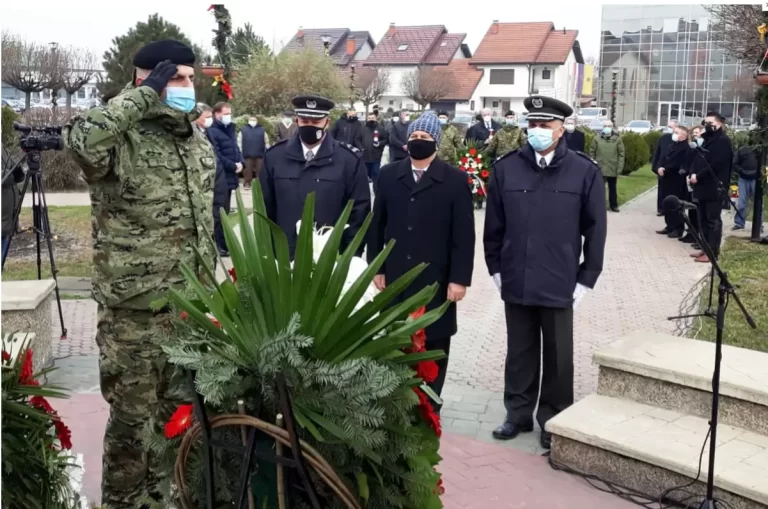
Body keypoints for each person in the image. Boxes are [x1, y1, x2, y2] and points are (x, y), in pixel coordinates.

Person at [63, 39, 216, 508]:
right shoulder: (120, 138)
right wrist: (142, 95)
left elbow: (202, 223)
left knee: (179, 419)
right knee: (133, 425)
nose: (188, 87)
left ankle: (169, 500)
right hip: (136, 312)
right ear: (146, 80)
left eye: (191, 78)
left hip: (190, 307)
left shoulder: (195, 139)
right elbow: (82, 139)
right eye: (176, 77)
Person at [484, 95, 607, 449]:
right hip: (517, 276)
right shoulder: (507, 168)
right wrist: (495, 268)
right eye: (532, 124)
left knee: (557, 354)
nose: (537, 131)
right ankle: (517, 414)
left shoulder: (584, 171)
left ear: (561, 128)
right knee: (519, 351)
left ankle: (553, 417)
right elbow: (494, 226)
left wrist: (587, 276)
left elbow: (595, 229)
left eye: (545, 125)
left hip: (559, 278)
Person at [368, 113, 475, 406]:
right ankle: (396, 401)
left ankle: (430, 403)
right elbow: (377, 224)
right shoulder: (389, 175)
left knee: (435, 340)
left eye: (425, 138)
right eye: (414, 137)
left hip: (436, 279)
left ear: (436, 143)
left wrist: (459, 279)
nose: (418, 142)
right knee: (395, 338)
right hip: (396, 275)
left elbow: (464, 235)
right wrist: (376, 267)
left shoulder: (454, 180)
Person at [260, 95, 371, 257]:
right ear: (296, 121)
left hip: (329, 256)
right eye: (305, 122)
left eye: (315, 122)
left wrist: (350, 255)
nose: (309, 127)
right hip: (285, 253)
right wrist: (268, 251)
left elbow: (359, 211)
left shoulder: (348, 160)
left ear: (327, 122)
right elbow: (265, 207)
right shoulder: (275, 157)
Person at [689, 112, 733, 263]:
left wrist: (698, 176)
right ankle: (705, 248)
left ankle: (712, 252)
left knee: (712, 220)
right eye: (705, 123)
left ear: (719, 124)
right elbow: (698, 158)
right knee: (703, 219)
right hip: (702, 187)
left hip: (715, 187)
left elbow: (716, 164)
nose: (706, 126)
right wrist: (692, 173)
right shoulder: (707, 140)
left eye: (710, 123)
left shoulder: (722, 141)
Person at [207, 101, 244, 256]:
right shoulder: (212, 131)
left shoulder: (230, 129)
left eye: (230, 113)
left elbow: (235, 148)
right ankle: (219, 245)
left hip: (231, 176)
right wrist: (232, 165)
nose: (228, 116)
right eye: (225, 113)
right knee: (219, 212)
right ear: (216, 114)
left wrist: (241, 162)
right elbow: (217, 154)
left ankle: (224, 242)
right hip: (222, 176)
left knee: (226, 211)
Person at [655, 125, 691, 238]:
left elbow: (679, 163)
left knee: (676, 204)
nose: (673, 134)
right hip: (666, 178)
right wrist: (659, 167)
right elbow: (663, 158)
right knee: (666, 203)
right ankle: (669, 225)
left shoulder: (686, 148)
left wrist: (666, 169)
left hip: (676, 179)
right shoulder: (672, 145)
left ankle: (677, 228)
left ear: (683, 135)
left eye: (676, 132)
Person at [588, 119, 625, 213]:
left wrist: (619, 168)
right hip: (600, 167)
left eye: (609, 126)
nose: (607, 128)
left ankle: (614, 206)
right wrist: (593, 165)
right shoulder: (597, 139)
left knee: (613, 188)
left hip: (612, 167)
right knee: (599, 189)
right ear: (602, 127)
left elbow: (621, 154)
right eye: (605, 126)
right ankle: (599, 206)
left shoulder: (617, 139)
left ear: (612, 127)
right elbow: (591, 152)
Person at [679, 126, 704, 246]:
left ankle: (699, 236)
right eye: (693, 133)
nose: (695, 135)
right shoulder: (691, 146)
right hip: (689, 179)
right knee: (691, 208)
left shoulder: (703, 148)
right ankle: (692, 233)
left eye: (697, 133)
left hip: (698, 181)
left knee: (699, 210)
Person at [2, 145, 25, 262]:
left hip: (9, 214)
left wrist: (20, 171)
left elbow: (14, 166)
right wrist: (13, 174)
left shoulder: (2, 147)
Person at [732, 143, 762, 231]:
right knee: (741, 203)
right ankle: (739, 223)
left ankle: (759, 225)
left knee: (759, 204)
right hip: (743, 179)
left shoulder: (762, 149)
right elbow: (735, 163)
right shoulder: (742, 150)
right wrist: (741, 171)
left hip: (757, 179)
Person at [653, 119, 678, 216]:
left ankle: (671, 208)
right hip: (661, 168)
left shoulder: (677, 139)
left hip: (672, 170)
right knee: (661, 189)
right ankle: (661, 208)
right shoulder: (663, 138)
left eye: (671, 127)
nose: (669, 129)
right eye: (668, 126)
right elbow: (658, 153)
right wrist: (656, 167)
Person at [360, 111, 388, 192]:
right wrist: (361, 148)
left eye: (373, 118)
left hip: (376, 157)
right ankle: (363, 192)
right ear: (367, 119)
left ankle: (376, 192)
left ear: (376, 119)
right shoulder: (362, 128)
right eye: (369, 118)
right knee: (364, 176)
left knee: (375, 175)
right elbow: (357, 139)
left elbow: (386, 139)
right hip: (365, 157)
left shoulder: (381, 129)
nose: (371, 120)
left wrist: (380, 143)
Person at [240, 114, 268, 189]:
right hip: (247, 153)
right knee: (247, 170)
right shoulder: (243, 129)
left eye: (254, 120)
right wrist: (239, 150)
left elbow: (266, 141)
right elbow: (239, 141)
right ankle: (247, 183)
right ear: (248, 121)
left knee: (260, 170)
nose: (252, 121)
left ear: (257, 121)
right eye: (251, 120)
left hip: (260, 153)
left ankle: (259, 185)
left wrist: (267, 150)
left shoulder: (262, 129)